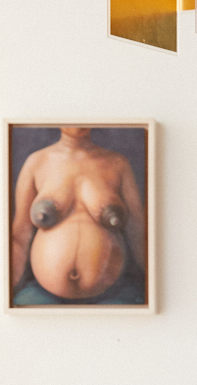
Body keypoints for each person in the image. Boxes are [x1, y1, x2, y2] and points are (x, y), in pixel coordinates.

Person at [10, 127, 146, 305]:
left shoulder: (117, 164)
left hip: (113, 296)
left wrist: (152, 285)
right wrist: (8, 291)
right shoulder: (36, 162)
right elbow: (20, 233)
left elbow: (140, 233)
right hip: (42, 297)